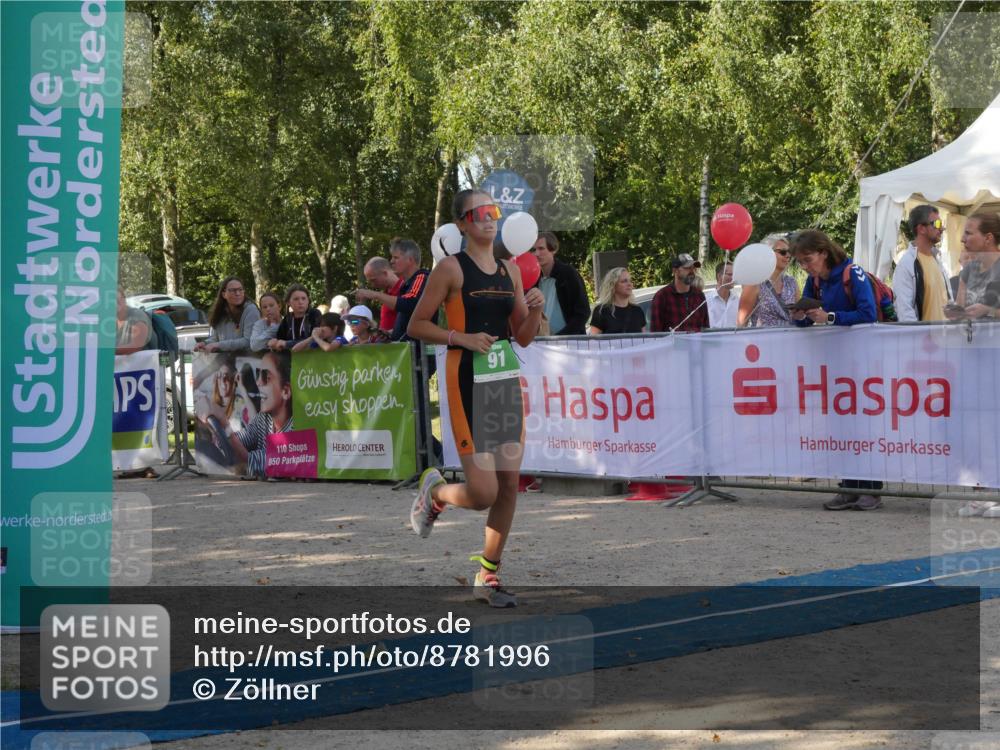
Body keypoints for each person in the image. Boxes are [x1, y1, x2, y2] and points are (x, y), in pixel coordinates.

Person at [407, 188, 545, 608]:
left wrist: (536, 310)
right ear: (464, 222)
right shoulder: (451, 269)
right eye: (480, 213)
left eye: (495, 212)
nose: (490, 218)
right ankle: (434, 493)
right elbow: (416, 324)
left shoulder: (510, 270)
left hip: (504, 380)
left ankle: (488, 574)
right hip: (465, 379)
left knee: (508, 486)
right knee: (483, 491)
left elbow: (522, 335)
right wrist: (460, 338)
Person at [789, 230, 883, 511]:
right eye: (801, 262)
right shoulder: (814, 280)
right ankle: (848, 487)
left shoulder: (853, 273)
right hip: (834, 365)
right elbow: (808, 320)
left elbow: (867, 314)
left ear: (823, 253)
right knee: (840, 426)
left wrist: (830, 317)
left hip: (862, 362)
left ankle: (870, 490)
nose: (805, 266)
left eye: (808, 260)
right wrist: (799, 317)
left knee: (863, 426)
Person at [208, 350, 294, 479]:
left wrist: (224, 425)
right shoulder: (263, 418)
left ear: (285, 391)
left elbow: (250, 462)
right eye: (258, 373)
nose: (258, 382)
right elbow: (240, 440)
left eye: (266, 377)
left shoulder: (295, 429)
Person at [893, 205, 951, 322]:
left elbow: (948, 301)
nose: (942, 228)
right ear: (921, 229)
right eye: (937, 224)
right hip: (924, 339)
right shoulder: (906, 265)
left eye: (942, 224)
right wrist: (920, 338)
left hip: (946, 338)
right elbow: (905, 312)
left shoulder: (938, 260)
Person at [531, 231, 590, 335]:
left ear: (553, 249)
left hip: (569, 343)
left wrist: (562, 337)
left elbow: (583, 312)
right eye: (534, 249)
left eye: (541, 248)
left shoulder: (568, 274)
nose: (536, 253)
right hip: (543, 343)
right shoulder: (534, 279)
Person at [738, 233, 799, 328]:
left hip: (790, 340)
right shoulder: (754, 282)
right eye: (783, 252)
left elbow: (798, 316)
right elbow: (741, 323)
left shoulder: (792, 282)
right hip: (762, 341)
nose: (788, 255)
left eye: (789, 252)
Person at [947, 212, 1000, 321]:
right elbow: (959, 313)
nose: (962, 239)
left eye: (968, 233)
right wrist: (954, 312)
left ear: (988, 238)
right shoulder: (968, 269)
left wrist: (988, 311)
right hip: (971, 337)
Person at [196, 277, 260, 352]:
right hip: (224, 361)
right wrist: (204, 343)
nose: (238, 293)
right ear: (224, 294)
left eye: (240, 289)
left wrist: (219, 345)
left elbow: (248, 341)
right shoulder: (219, 313)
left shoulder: (251, 310)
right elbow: (215, 339)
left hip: (247, 361)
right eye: (233, 290)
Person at [387, 238, 434, 342]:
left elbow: (410, 303)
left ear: (410, 260)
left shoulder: (421, 277)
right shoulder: (407, 284)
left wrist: (374, 295)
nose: (391, 261)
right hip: (409, 353)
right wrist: (392, 332)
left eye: (396, 257)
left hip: (418, 354)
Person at [650, 254, 709, 332]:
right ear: (675, 270)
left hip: (696, 343)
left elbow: (705, 328)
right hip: (671, 344)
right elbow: (655, 332)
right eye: (687, 268)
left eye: (694, 268)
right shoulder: (662, 296)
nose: (692, 271)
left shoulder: (699, 295)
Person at [588, 267, 646, 334]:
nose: (629, 284)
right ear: (613, 285)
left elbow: (643, 340)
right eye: (624, 281)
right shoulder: (601, 311)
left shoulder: (637, 311)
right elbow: (594, 341)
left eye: (630, 281)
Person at [268, 284, 322, 351]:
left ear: (308, 300)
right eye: (296, 299)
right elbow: (280, 341)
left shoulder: (314, 314)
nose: (300, 302)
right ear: (288, 302)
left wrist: (287, 344)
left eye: (303, 298)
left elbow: (315, 340)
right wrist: (274, 343)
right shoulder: (287, 319)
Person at [356, 256, 403, 332]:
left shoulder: (405, 287)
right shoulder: (386, 292)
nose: (372, 285)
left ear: (385, 273)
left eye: (373, 280)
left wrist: (375, 295)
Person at [115, 289, 157, 354]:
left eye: (117, 299)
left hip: (145, 363)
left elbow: (136, 346)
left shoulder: (137, 316)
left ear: (124, 299)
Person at [705, 260, 741, 329]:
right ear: (719, 276)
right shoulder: (706, 300)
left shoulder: (737, 300)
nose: (733, 278)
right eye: (730, 274)